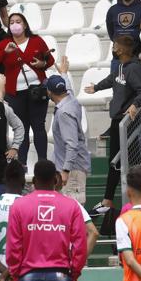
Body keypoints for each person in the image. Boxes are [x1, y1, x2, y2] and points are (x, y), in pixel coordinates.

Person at [85, 35, 141, 214]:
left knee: (127, 161)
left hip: (127, 122)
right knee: (115, 161)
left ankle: (128, 199)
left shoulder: (134, 68)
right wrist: (96, 87)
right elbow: (111, 79)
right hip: (117, 121)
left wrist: (134, 105)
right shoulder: (121, 66)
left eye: (115, 45)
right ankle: (109, 200)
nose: (113, 47)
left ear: (120, 49)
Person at [0, 13, 54, 164]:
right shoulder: (5, 43)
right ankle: (22, 165)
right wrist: (4, 52)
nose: (15, 24)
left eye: (18, 21)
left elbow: (50, 59)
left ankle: (43, 162)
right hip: (15, 93)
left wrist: (42, 64)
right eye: (12, 22)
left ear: (25, 25)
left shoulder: (36, 40)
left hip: (37, 91)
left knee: (38, 126)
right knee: (22, 128)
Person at [48, 63, 90, 206]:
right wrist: (64, 74)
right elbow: (69, 89)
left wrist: (66, 170)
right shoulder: (71, 99)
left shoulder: (64, 112)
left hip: (72, 169)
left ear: (50, 92)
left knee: (74, 211)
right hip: (73, 166)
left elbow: (72, 144)